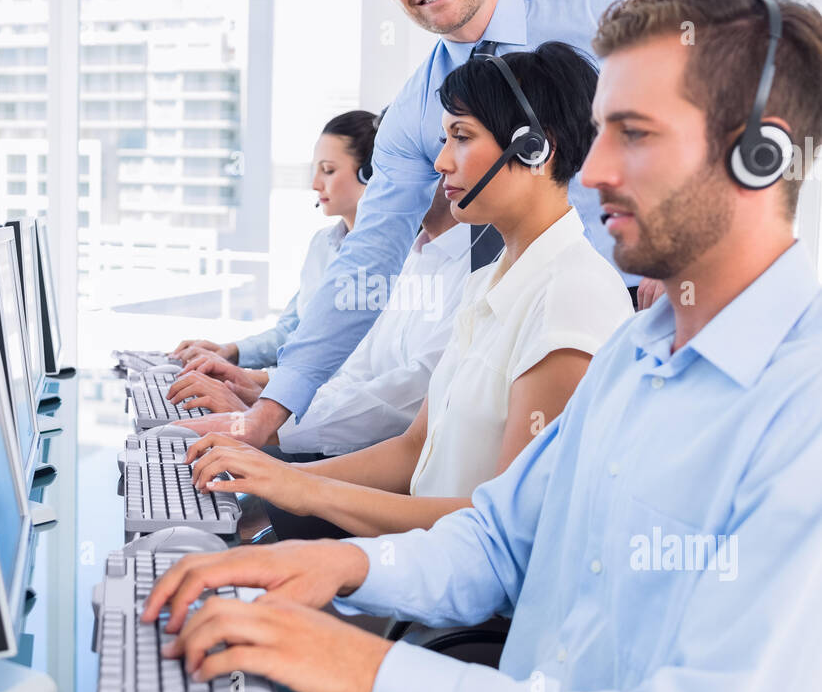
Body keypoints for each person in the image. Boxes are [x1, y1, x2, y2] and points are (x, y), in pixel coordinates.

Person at [25, 0, 822, 692]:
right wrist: (324, 564)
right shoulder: (638, 352)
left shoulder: (798, 415)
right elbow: (495, 536)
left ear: (757, 155)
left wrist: (371, 669)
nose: (592, 167)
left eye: (632, 133)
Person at [208, 0, 649, 451]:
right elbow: (368, 256)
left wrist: (683, 263)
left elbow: (718, 113)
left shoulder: (607, 9)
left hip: (653, 305)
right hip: (530, 331)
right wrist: (272, 409)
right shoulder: (414, 114)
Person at [184, 44, 633, 541]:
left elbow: (508, 528)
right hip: (422, 567)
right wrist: (274, 484)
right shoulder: (489, 281)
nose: (440, 162)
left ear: (535, 149)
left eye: (460, 137)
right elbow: (414, 449)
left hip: (468, 607)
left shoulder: (571, 298)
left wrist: (301, 490)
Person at [171, 181, 472, 456]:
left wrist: (268, 419)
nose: (381, 179)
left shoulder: (476, 270)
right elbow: (354, 375)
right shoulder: (409, 261)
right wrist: (267, 399)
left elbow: (412, 395)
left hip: (376, 464)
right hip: (348, 445)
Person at [166, 110, 378, 409]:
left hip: (329, 413)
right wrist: (230, 352)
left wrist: (250, 379)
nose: (316, 183)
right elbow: (291, 330)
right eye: (315, 170)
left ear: (368, 173)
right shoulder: (323, 245)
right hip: (298, 402)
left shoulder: (391, 261)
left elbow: (345, 370)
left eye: (328, 170)